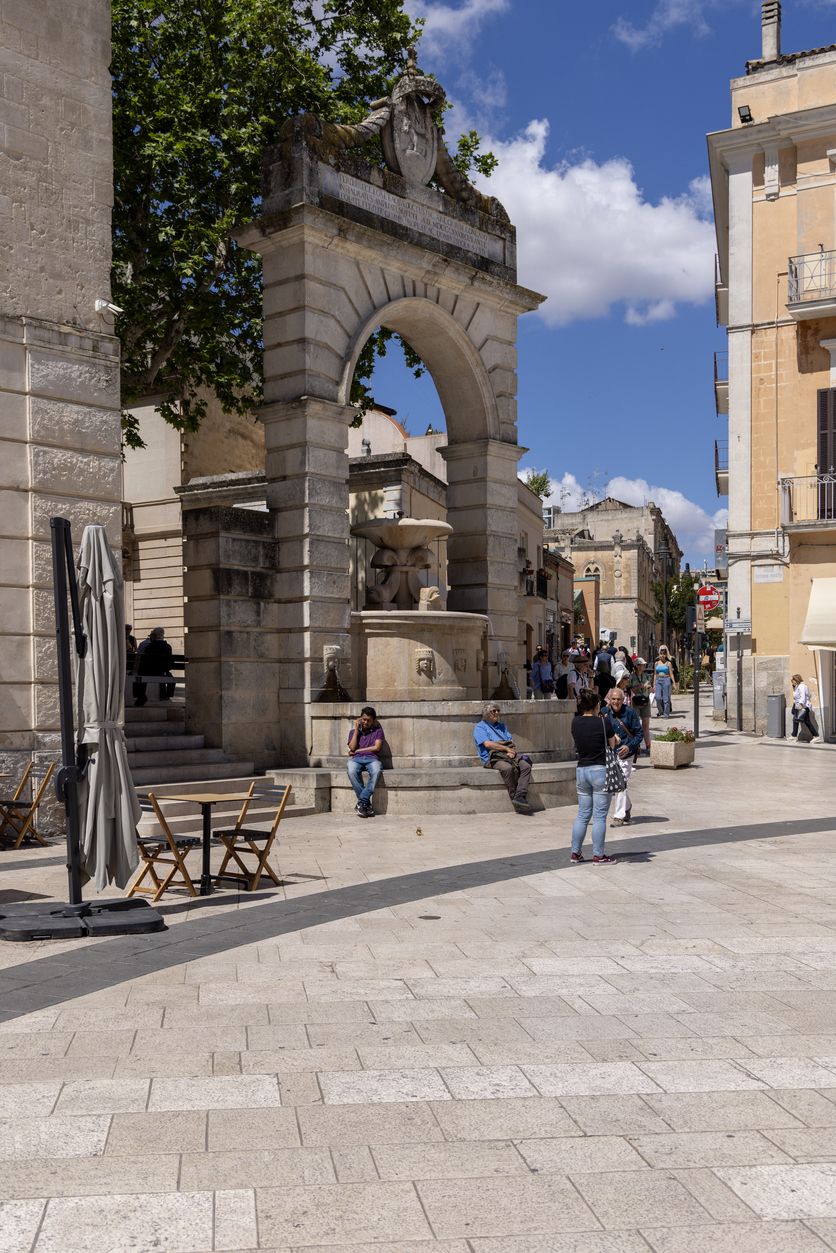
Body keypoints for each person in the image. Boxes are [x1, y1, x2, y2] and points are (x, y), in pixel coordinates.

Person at [570, 688, 617, 864]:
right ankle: (598, 855)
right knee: (599, 816)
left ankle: (575, 852)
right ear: (597, 705)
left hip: (581, 770)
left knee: (582, 814)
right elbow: (612, 745)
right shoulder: (603, 723)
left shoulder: (575, 722)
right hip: (600, 770)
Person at [473, 703, 533, 814]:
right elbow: (487, 744)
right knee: (507, 768)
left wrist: (511, 752)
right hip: (492, 758)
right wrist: (506, 749)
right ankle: (514, 795)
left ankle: (520, 796)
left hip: (508, 754)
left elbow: (510, 742)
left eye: (498, 710)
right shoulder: (480, 727)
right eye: (494, 711)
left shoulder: (502, 726)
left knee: (526, 766)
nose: (497, 713)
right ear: (486, 713)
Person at [605, 685, 644, 826]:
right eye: (613, 699)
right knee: (615, 784)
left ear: (623, 700)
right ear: (609, 699)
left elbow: (639, 734)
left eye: (619, 699)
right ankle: (627, 807)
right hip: (610, 753)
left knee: (621, 783)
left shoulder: (630, 713)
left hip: (625, 754)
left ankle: (619, 816)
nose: (616, 702)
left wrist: (629, 746)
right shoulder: (604, 713)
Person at [347, 707, 385, 817]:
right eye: (363, 719)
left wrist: (358, 750)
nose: (365, 722)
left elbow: (376, 748)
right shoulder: (353, 732)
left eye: (368, 720)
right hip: (357, 759)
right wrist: (355, 730)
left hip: (372, 758)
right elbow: (352, 747)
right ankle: (366, 804)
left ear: (373, 720)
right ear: (360, 719)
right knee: (351, 771)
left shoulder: (378, 731)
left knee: (377, 771)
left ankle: (361, 802)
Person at [133, 626, 175, 707]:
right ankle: (166, 695)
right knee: (171, 678)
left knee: (140, 676)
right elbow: (169, 663)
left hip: (148, 672)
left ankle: (141, 696)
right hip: (162, 672)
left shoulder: (149, 647)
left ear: (154, 636)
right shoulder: (168, 647)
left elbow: (144, 662)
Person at [628, 657, 652, 755]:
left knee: (646, 724)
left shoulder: (646, 675)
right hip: (636, 702)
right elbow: (630, 689)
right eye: (642, 664)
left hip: (645, 700)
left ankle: (648, 745)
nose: (644, 666)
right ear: (637, 666)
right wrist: (640, 686)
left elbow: (650, 688)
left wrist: (649, 687)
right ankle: (636, 746)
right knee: (636, 725)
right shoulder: (631, 677)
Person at [791, 673, 821, 743]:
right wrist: (794, 706)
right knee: (796, 720)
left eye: (793, 680)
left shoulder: (802, 686)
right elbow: (796, 698)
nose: (792, 682)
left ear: (796, 680)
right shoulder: (797, 686)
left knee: (806, 722)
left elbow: (803, 696)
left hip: (803, 706)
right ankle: (794, 736)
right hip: (799, 706)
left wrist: (801, 706)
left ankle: (816, 736)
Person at [654, 646, 676, 718]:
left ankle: (666, 714)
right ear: (659, 654)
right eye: (661, 654)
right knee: (658, 697)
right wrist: (654, 684)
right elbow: (655, 674)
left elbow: (671, 673)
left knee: (666, 699)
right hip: (658, 680)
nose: (662, 655)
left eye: (663, 654)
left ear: (666, 655)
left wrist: (674, 683)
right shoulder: (656, 663)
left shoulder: (668, 663)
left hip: (666, 680)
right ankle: (661, 711)